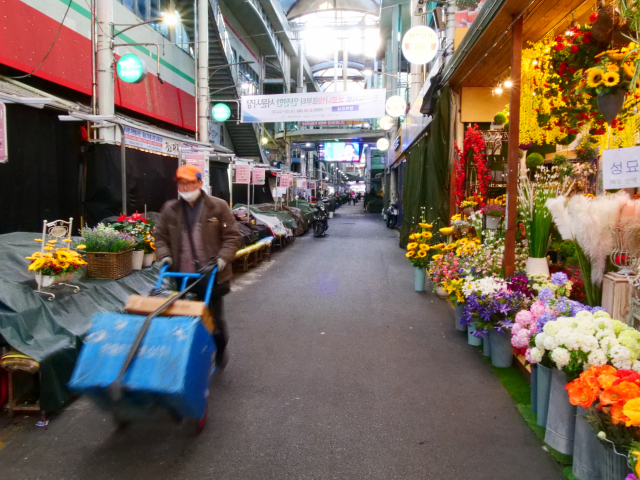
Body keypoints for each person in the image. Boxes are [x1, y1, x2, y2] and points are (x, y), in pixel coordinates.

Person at [154, 165, 241, 368]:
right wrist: (165, 255)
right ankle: (191, 357)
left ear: (200, 183)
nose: (185, 187)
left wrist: (222, 259)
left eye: (190, 183)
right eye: (181, 184)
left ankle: (220, 348)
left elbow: (232, 237)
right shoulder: (170, 209)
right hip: (182, 274)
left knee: (214, 321)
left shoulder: (218, 207)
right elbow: (160, 236)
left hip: (212, 274)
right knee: (184, 317)